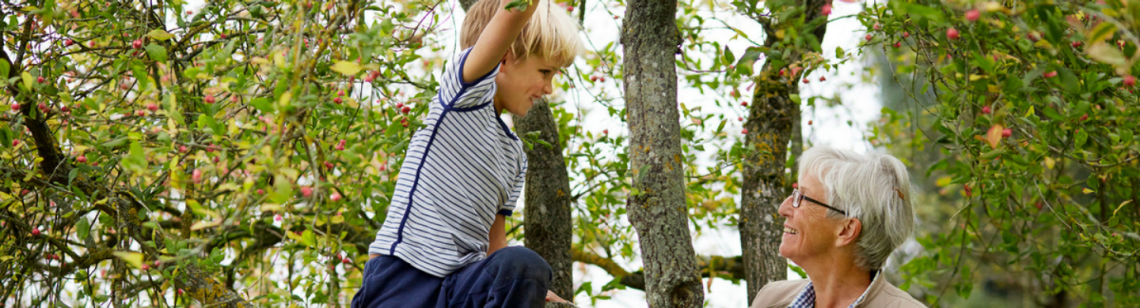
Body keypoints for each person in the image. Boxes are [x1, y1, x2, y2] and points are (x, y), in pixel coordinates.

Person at [350, 0, 582, 307]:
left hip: (460, 288)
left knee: (525, 265)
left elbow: (495, 247)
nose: (549, 87)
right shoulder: (463, 98)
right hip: (405, 279)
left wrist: (528, 284)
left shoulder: (514, 155)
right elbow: (514, 14)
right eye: (544, 71)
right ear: (504, 57)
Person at [750, 147, 927, 308]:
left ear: (846, 230)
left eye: (803, 198)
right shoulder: (771, 299)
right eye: (795, 194)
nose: (783, 209)